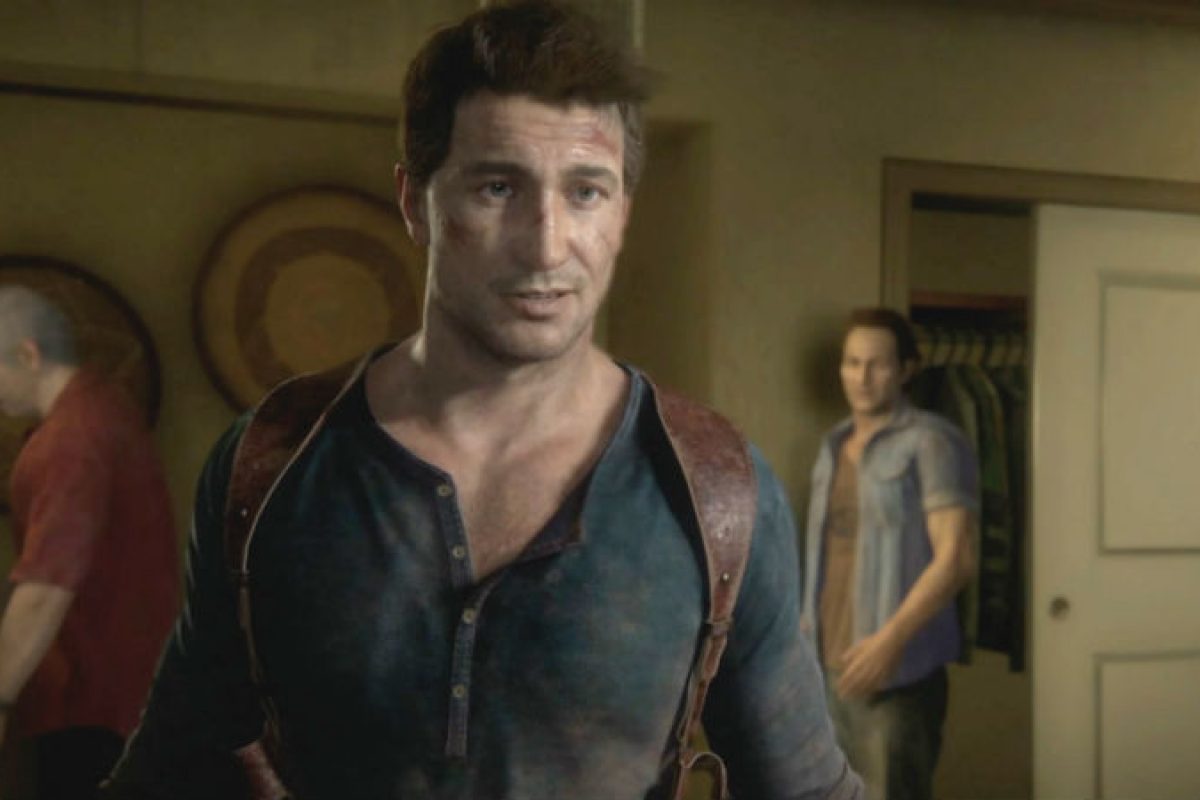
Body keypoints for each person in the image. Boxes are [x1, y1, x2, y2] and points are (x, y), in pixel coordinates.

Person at [103, 2, 862, 798]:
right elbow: (167, 773)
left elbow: (808, 790)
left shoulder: (718, 493)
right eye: (498, 187)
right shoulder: (272, 464)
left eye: (587, 192)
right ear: (414, 201)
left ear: (623, 214)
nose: (546, 244)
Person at [0, 286, 180, 799]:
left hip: (91, 700)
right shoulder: (103, 407)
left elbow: (46, 587)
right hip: (118, 694)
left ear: (27, 355)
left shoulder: (74, 437)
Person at [801, 307, 979, 800]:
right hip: (826, 669)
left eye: (877, 364)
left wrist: (890, 641)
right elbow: (827, 554)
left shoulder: (933, 442)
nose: (862, 377)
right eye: (852, 363)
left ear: (906, 369)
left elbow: (957, 558)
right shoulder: (833, 445)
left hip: (896, 677)